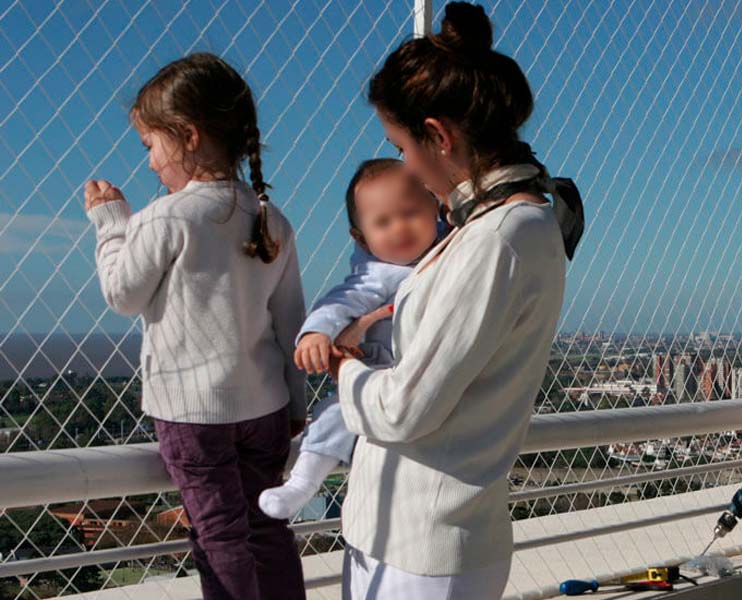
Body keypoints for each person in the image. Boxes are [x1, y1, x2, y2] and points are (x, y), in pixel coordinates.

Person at [328, 3, 584, 598]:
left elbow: (402, 410)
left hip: (426, 547)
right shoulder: (502, 226)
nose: (406, 167)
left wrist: (346, 367)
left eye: (402, 147)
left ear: (438, 136)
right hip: (410, 537)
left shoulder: (497, 239)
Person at [83, 53, 306, 600]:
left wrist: (112, 223)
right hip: (268, 408)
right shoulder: (269, 217)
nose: (151, 163)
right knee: (266, 527)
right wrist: (296, 403)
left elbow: (122, 293)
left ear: (186, 134)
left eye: (151, 146)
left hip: (194, 413)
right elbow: (291, 322)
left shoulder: (166, 216)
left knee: (219, 536)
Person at [258, 158, 444, 520]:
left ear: (434, 209)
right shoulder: (379, 273)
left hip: (424, 372)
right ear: (362, 238)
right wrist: (316, 332)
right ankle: (302, 484)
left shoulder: (450, 248)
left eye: (410, 213)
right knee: (334, 413)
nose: (400, 228)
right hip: (378, 370)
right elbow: (342, 300)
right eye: (383, 223)